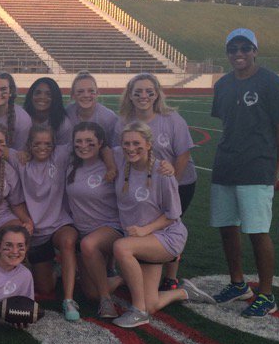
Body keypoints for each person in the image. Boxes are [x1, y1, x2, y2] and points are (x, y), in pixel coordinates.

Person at [210, 28, 279, 317]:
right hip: (225, 165)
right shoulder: (222, 84)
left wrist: (275, 167)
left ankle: (266, 294)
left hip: (257, 166)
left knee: (257, 230)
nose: (239, 54)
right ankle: (238, 283)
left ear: (255, 50)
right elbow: (227, 124)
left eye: (245, 48)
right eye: (233, 49)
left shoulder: (270, 82)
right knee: (227, 227)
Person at [110, 122, 212, 328]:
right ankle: (184, 292)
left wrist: (144, 231)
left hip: (165, 236)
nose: (131, 148)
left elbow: (173, 215)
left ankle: (138, 311)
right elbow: (100, 149)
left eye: (137, 143)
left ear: (149, 144)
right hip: (141, 241)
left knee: (121, 247)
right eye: (126, 143)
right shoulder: (120, 159)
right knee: (152, 303)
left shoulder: (163, 172)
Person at [115, 72, 196, 290]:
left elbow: (183, 154)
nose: (144, 96)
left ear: (157, 94)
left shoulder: (172, 119)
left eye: (149, 91)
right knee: (146, 227)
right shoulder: (123, 121)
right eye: (138, 92)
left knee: (168, 223)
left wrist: (172, 182)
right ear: (129, 95)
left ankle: (171, 277)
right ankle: (146, 269)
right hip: (144, 183)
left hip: (176, 181)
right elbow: (118, 152)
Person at [12, 126, 80, 320]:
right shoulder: (20, 159)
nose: (43, 148)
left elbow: (93, 141)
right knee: (45, 287)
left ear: (54, 145)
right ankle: (55, 269)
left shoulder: (59, 156)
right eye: (37, 144)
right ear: (29, 145)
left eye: (47, 144)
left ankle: (68, 300)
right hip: (35, 230)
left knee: (68, 241)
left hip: (59, 224)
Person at [64, 122, 124, 319]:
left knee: (89, 245)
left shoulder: (114, 160)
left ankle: (106, 301)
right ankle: (126, 276)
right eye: (78, 141)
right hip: (84, 232)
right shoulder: (71, 164)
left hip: (111, 228)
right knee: (90, 292)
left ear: (100, 144)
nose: (83, 145)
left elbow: (142, 154)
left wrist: (164, 166)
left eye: (90, 141)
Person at [64, 71, 118, 140]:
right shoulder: (67, 114)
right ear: (73, 95)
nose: (86, 95)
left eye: (91, 91)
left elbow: (114, 146)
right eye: (80, 91)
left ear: (97, 93)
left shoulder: (109, 118)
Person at [24, 76, 72, 145]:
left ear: (55, 98)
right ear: (31, 95)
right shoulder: (21, 118)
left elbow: (63, 152)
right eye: (38, 93)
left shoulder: (63, 125)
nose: (42, 97)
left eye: (48, 94)